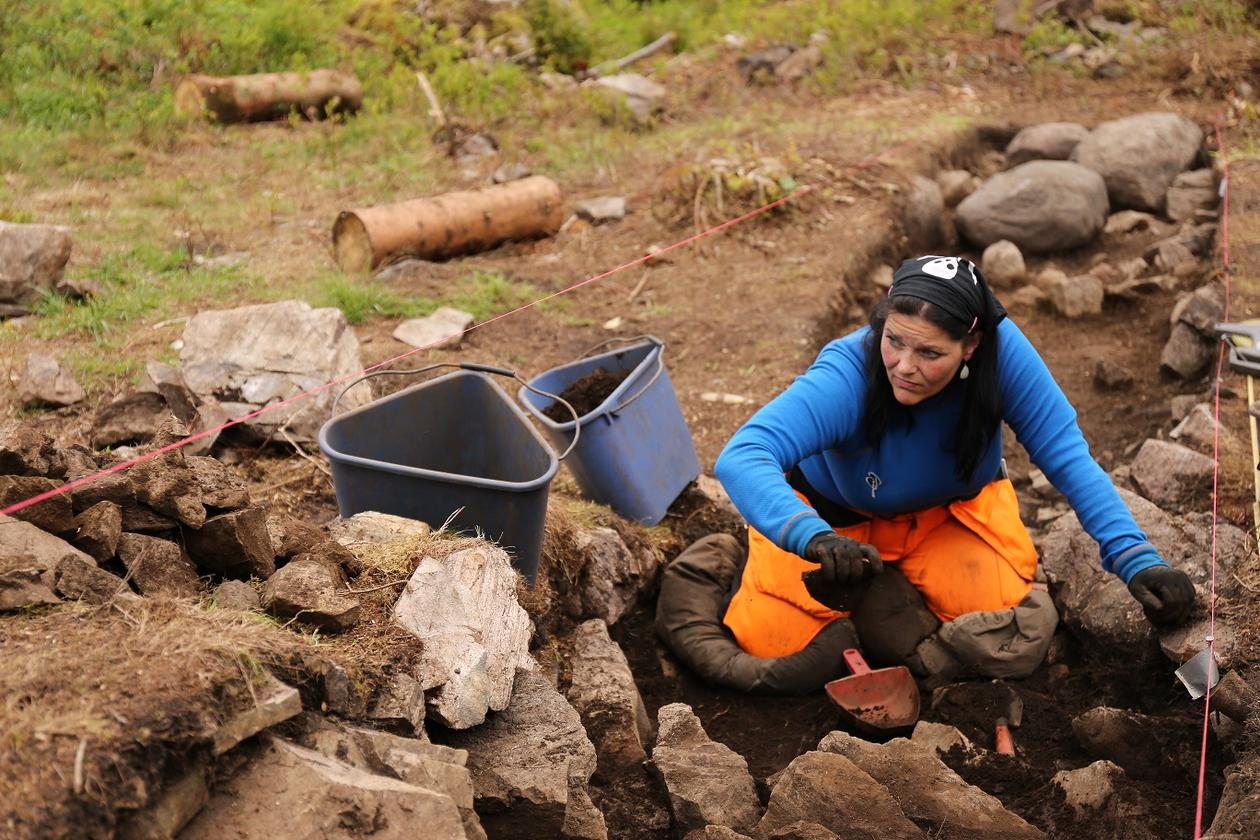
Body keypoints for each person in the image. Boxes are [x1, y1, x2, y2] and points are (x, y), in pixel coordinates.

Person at [655, 255, 1195, 694]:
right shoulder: (849, 370)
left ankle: (881, 604)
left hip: (946, 518)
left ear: (971, 347)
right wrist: (811, 535)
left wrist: (1138, 560)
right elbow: (743, 454)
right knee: (776, 647)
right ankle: (740, 557)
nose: (905, 366)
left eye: (930, 352)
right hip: (830, 532)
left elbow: (1070, 460)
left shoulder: (1006, 361)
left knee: (1004, 621)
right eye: (895, 340)